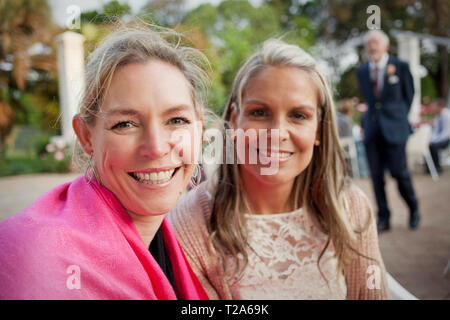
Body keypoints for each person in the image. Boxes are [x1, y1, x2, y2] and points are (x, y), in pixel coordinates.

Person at [169, 39, 389, 300]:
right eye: (260, 112)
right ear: (234, 120)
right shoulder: (190, 224)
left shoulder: (349, 207)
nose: (277, 134)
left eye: (298, 115)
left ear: (318, 128)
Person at [0, 27, 209, 300]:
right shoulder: (38, 255)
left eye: (177, 120)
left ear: (199, 129)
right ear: (86, 136)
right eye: (125, 124)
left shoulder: (185, 244)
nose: (156, 147)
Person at [356, 30, 420, 232]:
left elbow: (409, 95)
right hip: (372, 130)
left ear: (385, 45)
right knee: (376, 177)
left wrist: (398, 119)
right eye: (369, 44)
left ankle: (413, 208)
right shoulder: (362, 70)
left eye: (375, 43)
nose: (372, 47)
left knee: (399, 173)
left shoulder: (400, 66)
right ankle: (383, 217)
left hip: (395, 129)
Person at [429, 98, 450, 173]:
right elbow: (436, 131)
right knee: (429, 145)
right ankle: (430, 167)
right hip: (441, 138)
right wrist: (431, 140)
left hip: (447, 139)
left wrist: (434, 141)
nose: (433, 108)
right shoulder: (438, 115)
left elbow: (446, 133)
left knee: (433, 146)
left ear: (440, 107)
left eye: (434, 106)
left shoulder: (447, 115)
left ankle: (437, 167)